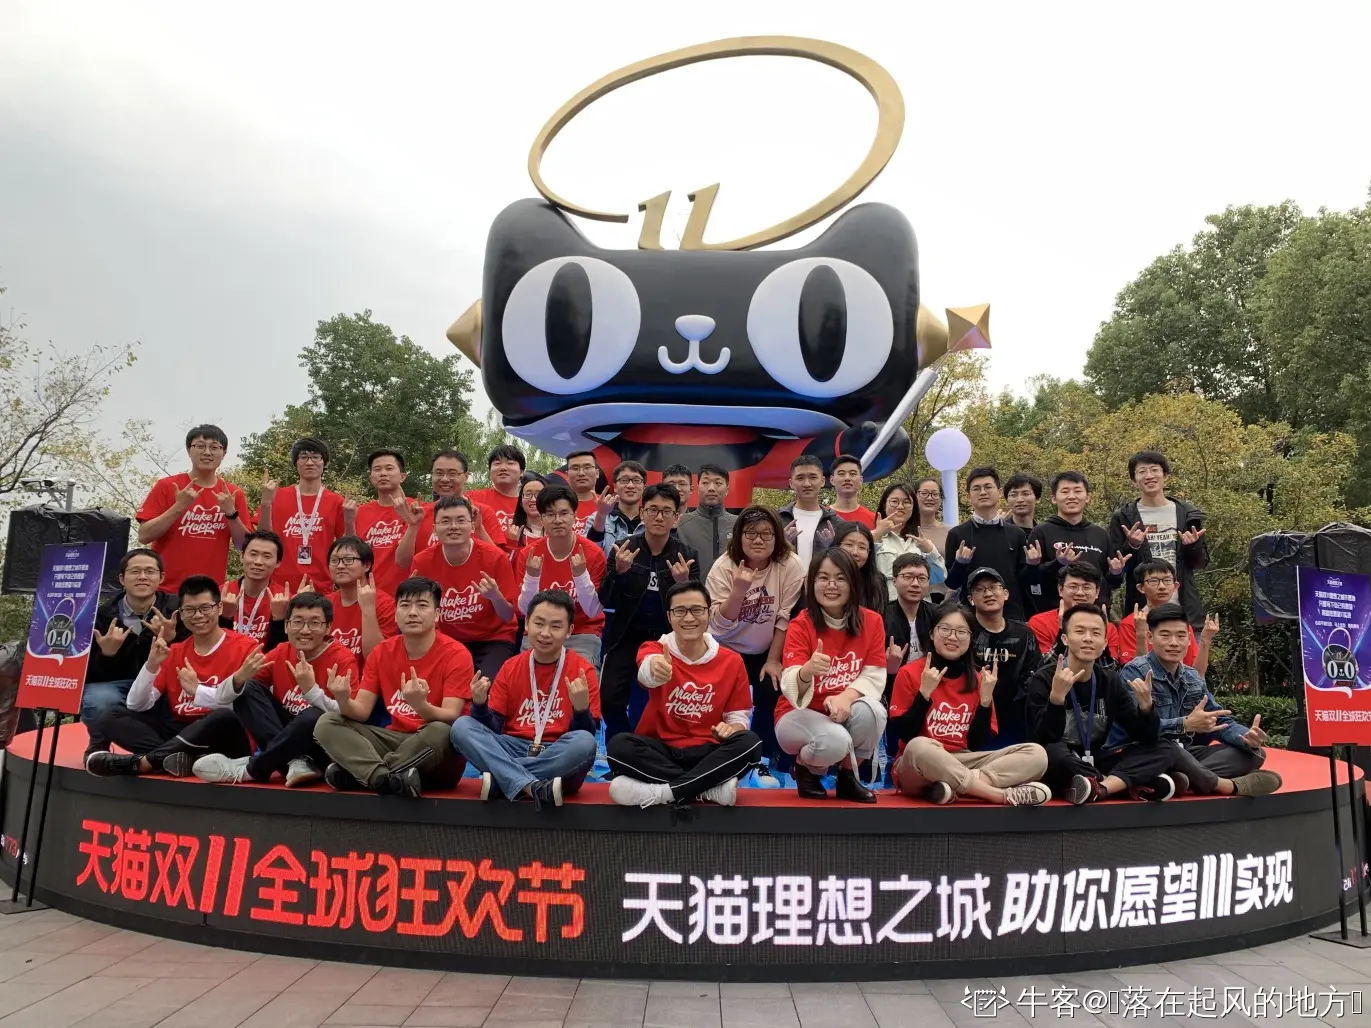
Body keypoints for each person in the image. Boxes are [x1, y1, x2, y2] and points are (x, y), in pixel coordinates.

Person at [608, 581, 762, 807]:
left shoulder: (732, 660)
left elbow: (738, 716)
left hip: (708, 751)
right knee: (618, 746)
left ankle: (663, 792)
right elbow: (646, 671)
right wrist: (655, 668)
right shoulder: (655, 649)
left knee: (750, 743)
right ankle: (706, 789)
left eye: (696, 610)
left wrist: (731, 729)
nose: (689, 618)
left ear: (708, 613)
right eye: (680, 611)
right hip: (661, 751)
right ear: (669, 617)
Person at [313, 576, 471, 796]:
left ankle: (365, 775)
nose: (412, 613)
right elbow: (361, 712)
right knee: (327, 722)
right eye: (405, 606)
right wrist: (343, 698)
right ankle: (384, 779)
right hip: (395, 740)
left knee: (440, 731)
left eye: (422, 605)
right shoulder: (382, 651)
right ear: (396, 614)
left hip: (436, 756)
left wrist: (421, 705)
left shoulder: (457, 654)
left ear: (436, 614)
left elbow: (451, 715)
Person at [85, 576, 257, 778]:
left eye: (205, 608)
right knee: (110, 716)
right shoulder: (175, 651)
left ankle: (146, 762)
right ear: (181, 614)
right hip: (181, 731)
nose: (198, 616)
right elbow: (136, 705)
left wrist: (198, 691)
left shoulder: (247, 648)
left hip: (227, 737)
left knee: (222, 716)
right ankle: (181, 760)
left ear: (219, 608)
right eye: (189, 610)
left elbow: (246, 707)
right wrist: (150, 666)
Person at [889, 602, 1050, 806]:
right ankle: (999, 795)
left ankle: (950, 787)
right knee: (919, 746)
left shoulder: (979, 679)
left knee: (1036, 754)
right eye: (945, 629)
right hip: (918, 764)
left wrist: (985, 702)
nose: (952, 637)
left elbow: (975, 744)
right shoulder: (909, 673)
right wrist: (924, 695)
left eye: (961, 632)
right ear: (931, 633)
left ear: (971, 638)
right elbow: (905, 734)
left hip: (962, 759)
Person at [191, 592, 359, 787]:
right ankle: (294, 762)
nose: (305, 630)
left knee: (313, 716)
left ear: (328, 627)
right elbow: (225, 698)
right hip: (287, 737)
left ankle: (251, 770)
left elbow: (350, 717)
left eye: (314, 623)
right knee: (247, 688)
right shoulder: (281, 651)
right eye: (297, 622)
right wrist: (238, 677)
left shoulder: (342, 659)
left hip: (322, 745)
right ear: (286, 626)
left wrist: (311, 691)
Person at [451, 590, 600, 808]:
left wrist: (581, 710)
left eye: (556, 626)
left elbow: (586, 734)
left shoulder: (582, 670)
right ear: (527, 623)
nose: (545, 633)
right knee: (462, 726)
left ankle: (504, 779)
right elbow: (494, 728)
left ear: (569, 631)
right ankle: (533, 786)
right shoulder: (511, 666)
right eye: (539, 623)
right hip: (514, 747)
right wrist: (480, 705)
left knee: (584, 743)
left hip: (556, 752)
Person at [1025, 604, 1182, 803]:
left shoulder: (1110, 680)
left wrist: (1146, 708)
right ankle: (1125, 783)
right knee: (1054, 754)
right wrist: (1056, 699)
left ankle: (1101, 787)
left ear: (1105, 642)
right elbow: (1042, 739)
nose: (1088, 638)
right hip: (1057, 762)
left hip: (1095, 759)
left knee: (1165, 748)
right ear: (1065, 638)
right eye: (1080, 631)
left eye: (1096, 633)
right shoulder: (1043, 679)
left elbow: (1144, 736)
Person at [1124, 604, 1282, 797]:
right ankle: (1224, 785)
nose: (1174, 643)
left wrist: (1246, 736)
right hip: (1150, 753)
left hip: (1187, 752)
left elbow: (1219, 719)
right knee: (1171, 751)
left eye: (1181, 636)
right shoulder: (1135, 671)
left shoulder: (1192, 677)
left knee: (1254, 753)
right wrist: (1185, 724)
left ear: (1189, 639)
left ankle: (1182, 779)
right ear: (1150, 637)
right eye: (1165, 636)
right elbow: (1134, 729)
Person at [778, 548, 886, 802]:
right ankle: (805, 768)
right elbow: (789, 684)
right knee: (836, 741)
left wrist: (845, 697)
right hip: (798, 714)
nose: (831, 585)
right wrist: (807, 671)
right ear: (812, 583)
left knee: (873, 712)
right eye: (823, 578)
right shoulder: (801, 624)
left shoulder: (872, 621)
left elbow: (874, 675)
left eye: (840, 578)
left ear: (853, 582)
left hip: (844, 709)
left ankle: (848, 776)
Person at [707, 506, 805, 785]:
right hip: (727, 647)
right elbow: (718, 626)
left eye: (766, 534)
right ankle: (720, 757)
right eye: (750, 533)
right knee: (724, 701)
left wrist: (773, 660)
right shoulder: (723, 567)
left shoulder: (790, 564)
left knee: (770, 690)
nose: (758, 540)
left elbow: (785, 617)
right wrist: (739, 590)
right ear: (739, 536)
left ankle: (763, 761)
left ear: (777, 537)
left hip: (767, 647)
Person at [599, 484, 700, 740]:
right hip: (625, 635)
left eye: (666, 511)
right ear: (642, 513)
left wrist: (684, 584)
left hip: (668, 639)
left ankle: (653, 748)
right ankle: (620, 746)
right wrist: (619, 572)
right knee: (609, 699)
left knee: (662, 703)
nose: (659, 517)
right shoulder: (622, 548)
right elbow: (605, 599)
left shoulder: (687, 555)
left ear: (676, 518)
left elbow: (696, 609)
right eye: (653, 510)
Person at [397, 496, 517, 678]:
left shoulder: (495, 558)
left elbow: (507, 615)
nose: (453, 527)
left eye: (461, 520)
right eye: (445, 521)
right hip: (446, 639)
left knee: (484, 687)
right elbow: (420, 614)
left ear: (472, 526)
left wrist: (495, 597)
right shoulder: (422, 562)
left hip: (492, 638)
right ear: (434, 529)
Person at [83, 549, 181, 758]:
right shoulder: (102, 615)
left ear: (161, 577)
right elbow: (88, 675)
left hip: (162, 683)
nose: (143, 577)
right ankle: (99, 743)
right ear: (122, 579)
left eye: (150, 571)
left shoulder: (176, 609)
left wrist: (173, 639)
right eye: (135, 571)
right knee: (98, 698)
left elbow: (195, 650)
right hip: (118, 684)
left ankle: (166, 749)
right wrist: (107, 654)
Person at [136, 425, 252, 592]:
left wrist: (231, 513)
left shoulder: (233, 494)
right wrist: (179, 506)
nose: (207, 452)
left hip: (209, 592)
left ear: (224, 453)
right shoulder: (168, 486)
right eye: (200, 446)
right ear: (189, 450)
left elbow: (243, 546)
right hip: (164, 590)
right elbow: (144, 536)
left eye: (214, 447)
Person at [1109, 451, 1210, 629]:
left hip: (1184, 609)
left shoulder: (1187, 513)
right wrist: (1132, 545)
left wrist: (1192, 547)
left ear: (1165, 475)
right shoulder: (1123, 516)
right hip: (1142, 610)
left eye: (1154, 470)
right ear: (1134, 480)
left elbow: (1200, 563)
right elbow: (1117, 568)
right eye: (1142, 472)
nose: (1149, 476)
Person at [515, 484, 607, 663]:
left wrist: (580, 576)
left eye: (564, 513)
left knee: (581, 677)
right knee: (526, 675)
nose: (557, 520)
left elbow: (592, 611)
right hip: (539, 632)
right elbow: (525, 610)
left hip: (582, 632)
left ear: (575, 516)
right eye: (550, 514)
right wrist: (532, 578)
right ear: (541, 519)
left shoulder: (593, 554)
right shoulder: (528, 555)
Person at [1025, 472, 1128, 615]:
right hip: (1055, 614)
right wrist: (1058, 563)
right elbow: (1031, 580)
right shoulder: (1041, 532)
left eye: (1077, 491)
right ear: (1054, 498)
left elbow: (1111, 583)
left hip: (1095, 615)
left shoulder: (1100, 534)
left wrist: (1116, 573)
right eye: (1065, 491)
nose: (1072, 496)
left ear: (1088, 497)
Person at [257, 437, 347, 592]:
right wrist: (266, 504)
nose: (310, 462)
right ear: (296, 463)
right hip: (278, 585)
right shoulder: (276, 496)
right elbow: (261, 538)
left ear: (324, 462)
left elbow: (346, 546)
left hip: (321, 586)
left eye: (316, 457)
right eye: (304, 457)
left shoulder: (337, 502)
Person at [966, 567, 1041, 746]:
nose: (988, 593)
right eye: (980, 589)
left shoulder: (1024, 634)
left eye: (994, 587)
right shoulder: (963, 630)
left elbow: (1033, 674)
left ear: (1005, 594)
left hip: (1012, 718)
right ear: (970, 599)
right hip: (969, 713)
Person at [944, 467, 1031, 621]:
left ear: (999, 492)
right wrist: (960, 563)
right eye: (976, 488)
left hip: (1011, 616)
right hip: (972, 617)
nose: (983, 492)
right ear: (968, 496)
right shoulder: (957, 534)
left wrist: (1033, 565)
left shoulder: (1016, 534)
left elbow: (1025, 580)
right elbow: (951, 582)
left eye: (988, 487)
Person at [1118, 559, 1215, 672]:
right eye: (1153, 581)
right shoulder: (1131, 623)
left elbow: (1196, 673)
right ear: (1141, 588)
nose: (1162, 586)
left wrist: (1205, 640)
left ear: (1175, 586)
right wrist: (1140, 635)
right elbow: (1133, 672)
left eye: (1167, 580)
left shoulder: (1181, 623)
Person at [1027, 561, 1123, 667]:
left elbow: (1111, 669)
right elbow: (1043, 667)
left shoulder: (1109, 628)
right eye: (1073, 586)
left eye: (1086, 587)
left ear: (1097, 592)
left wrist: (1102, 633)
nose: (1080, 593)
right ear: (1060, 590)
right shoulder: (1040, 623)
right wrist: (1061, 631)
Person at [324, 536, 398, 669]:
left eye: (348, 560)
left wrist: (368, 610)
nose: (340, 566)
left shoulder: (385, 604)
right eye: (334, 560)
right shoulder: (325, 604)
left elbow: (377, 658)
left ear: (367, 565)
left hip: (366, 679)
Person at [412, 451, 500, 549]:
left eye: (452, 474)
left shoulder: (482, 513)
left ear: (466, 476)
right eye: (439, 473)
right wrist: (412, 526)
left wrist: (479, 529)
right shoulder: (420, 515)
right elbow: (403, 558)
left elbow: (499, 557)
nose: (444, 479)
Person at [353, 449, 412, 594]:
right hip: (370, 593)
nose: (383, 473)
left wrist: (408, 519)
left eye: (389, 468)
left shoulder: (418, 509)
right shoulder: (359, 513)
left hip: (409, 594)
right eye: (377, 469)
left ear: (402, 476)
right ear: (371, 478)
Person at [873, 482, 946, 598]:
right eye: (894, 501)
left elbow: (940, 578)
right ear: (884, 504)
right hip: (885, 606)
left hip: (919, 606)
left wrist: (930, 552)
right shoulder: (872, 538)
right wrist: (877, 535)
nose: (900, 506)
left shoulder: (922, 542)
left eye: (906, 502)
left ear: (914, 507)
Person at [221, 530, 292, 648]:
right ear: (242, 556)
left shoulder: (286, 600)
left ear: (278, 562)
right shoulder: (220, 595)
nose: (258, 562)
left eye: (267, 556)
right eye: (253, 554)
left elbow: (285, 650)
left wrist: (279, 619)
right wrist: (224, 617)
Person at [777, 455, 840, 575]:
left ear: (822, 481)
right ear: (791, 483)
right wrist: (780, 543)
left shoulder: (836, 523)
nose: (807, 484)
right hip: (785, 585)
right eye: (800, 478)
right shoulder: (776, 519)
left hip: (823, 586)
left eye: (813, 477)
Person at [675, 463, 736, 579]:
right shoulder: (680, 523)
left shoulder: (739, 525)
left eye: (718, 483)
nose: (711, 488)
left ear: (727, 490)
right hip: (691, 589)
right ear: (698, 488)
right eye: (705, 482)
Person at [467, 444, 527, 551]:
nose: (503, 468)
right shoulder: (471, 498)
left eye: (510, 463)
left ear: (522, 472)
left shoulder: (530, 504)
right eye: (497, 463)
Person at [588, 460, 646, 555]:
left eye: (636, 480)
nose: (630, 485)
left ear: (644, 488)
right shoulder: (597, 518)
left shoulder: (652, 519)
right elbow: (590, 552)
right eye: (624, 480)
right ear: (615, 487)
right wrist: (601, 515)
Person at [833, 520, 887, 613]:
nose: (855, 552)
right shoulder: (824, 578)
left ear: (869, 552)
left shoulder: (878, 581)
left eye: (862, 547)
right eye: (849, 545)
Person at [830, 454, 876, 528]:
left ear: (861, 480)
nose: (847, 478)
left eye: (852, 474)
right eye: (841, 474)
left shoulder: (874, 520)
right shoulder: (820, 517)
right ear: (832, 480)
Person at [564, 451, 602, 535]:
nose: (581, 473)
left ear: (597, 473)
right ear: (567, 475)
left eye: (587, 467)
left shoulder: (609, 505)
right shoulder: (556, 506)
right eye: (575, 468)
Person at [912, 477, 952, 557]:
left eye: (935, 494)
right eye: (924, 493)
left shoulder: (951, 532)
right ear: (913, 497)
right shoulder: (903, 530)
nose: (930, 498)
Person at [508, 474, 546, 552]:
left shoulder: (556, 530)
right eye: (528, 494)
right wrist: (512, 542)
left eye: (539, 494)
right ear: (521, 502)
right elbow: (506, 560)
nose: (533, 499)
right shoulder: (511, 532)